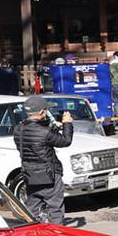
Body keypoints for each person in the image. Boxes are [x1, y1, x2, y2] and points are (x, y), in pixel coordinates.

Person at [12, 94, 75, 224]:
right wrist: (67, 124)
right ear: (42, 112)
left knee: (32, 210)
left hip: (30, 175)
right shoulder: (45, 132)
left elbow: (36, 137)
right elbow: (65, 141)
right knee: (55, 211)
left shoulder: (18, 130)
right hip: (49, 175)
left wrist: (55, 128)